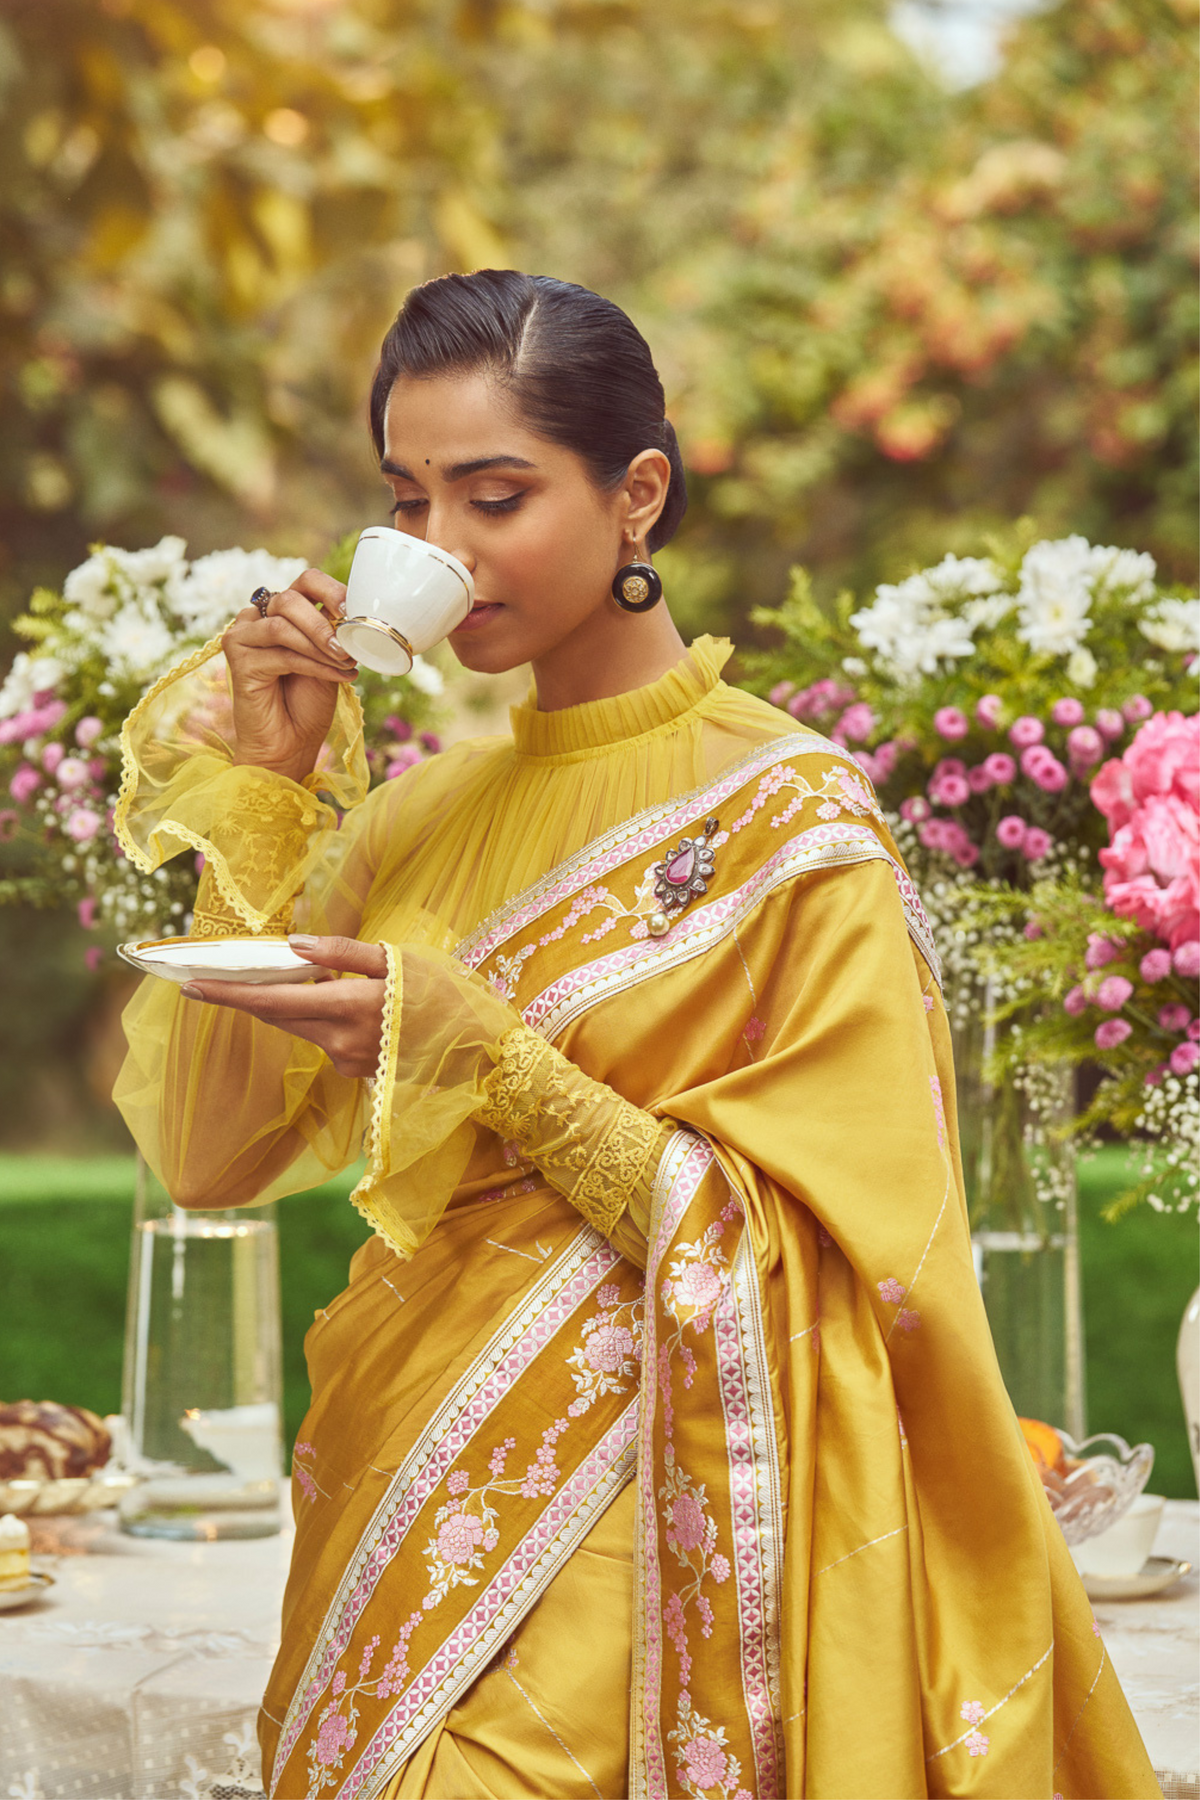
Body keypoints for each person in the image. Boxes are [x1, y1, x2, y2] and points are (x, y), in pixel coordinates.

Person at [113, 270, 1159, 1800]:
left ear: (637, 497)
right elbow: (210, 1158)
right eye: (410, 503)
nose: (443, 552)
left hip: (641, 1532)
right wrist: (267, 806)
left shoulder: (789, 819)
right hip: (404, 1497)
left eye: (496, 496)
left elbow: (849, 1266)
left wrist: (491, 1058)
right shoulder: (411, 818)